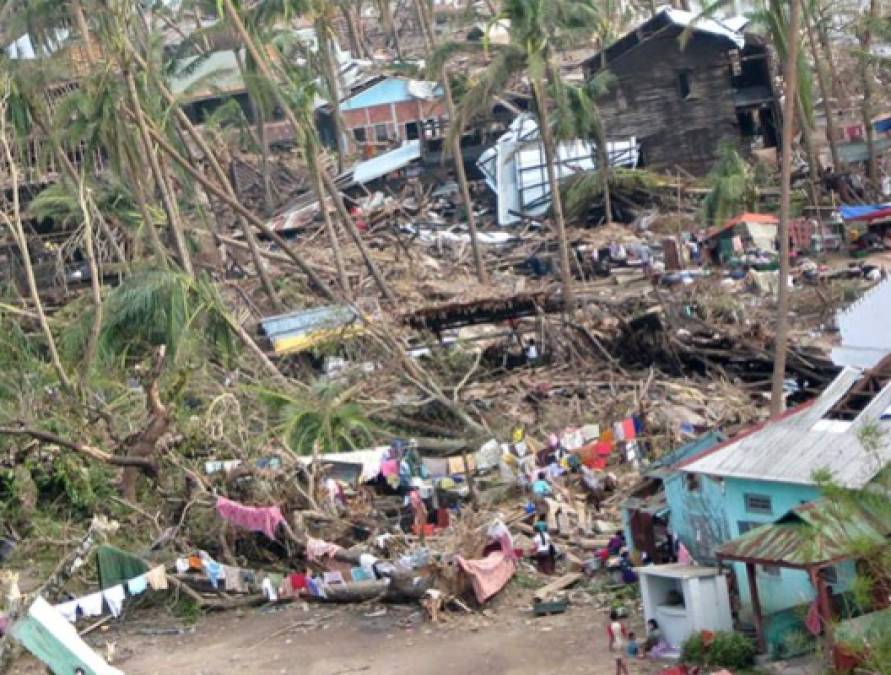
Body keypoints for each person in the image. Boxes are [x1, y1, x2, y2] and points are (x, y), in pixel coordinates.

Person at [607, 609, 630, 675]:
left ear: (610, 618)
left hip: (615, 644)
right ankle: (620, 673)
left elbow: (611, 637)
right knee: (620, 660)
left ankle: (625, 673)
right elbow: (625, 635)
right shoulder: (621, 625)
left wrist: (610, 646)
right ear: (617, 617)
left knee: (618, 660)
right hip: (622, 642)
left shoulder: (610, 626)